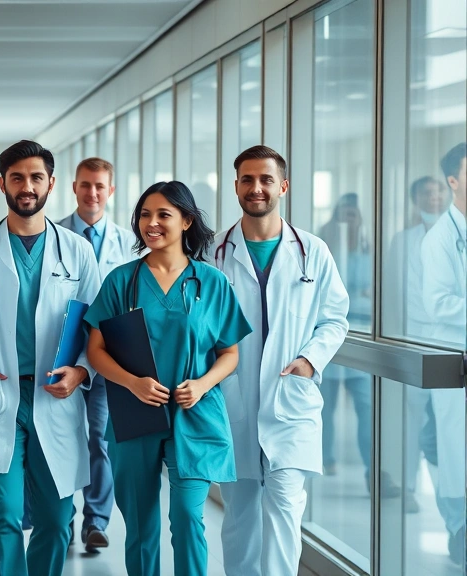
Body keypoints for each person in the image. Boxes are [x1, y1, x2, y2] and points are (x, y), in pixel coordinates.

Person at [0, 140, 101, 575]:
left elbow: (96, 326)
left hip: (55, 396)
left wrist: (82, 370)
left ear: (52, 183)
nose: (27, 186)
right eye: (17, 178)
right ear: (2, 184)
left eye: (36, 177)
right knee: (2, 512)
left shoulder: (78, 251)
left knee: (56, 520)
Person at [84, 180, 251, 576]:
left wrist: (204, 383)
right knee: (141, 526)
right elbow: (96, 350)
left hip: (196, 415)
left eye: (163, 215)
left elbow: (230, 353)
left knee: (189, 518)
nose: (151, 223)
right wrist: (131, 382)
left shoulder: (211, 282)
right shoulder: (121, 281)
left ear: (187, 220)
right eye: (145, 214)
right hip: (135, 413)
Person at [214, 145, 350, 576]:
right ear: (236, 186)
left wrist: (310, 360)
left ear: (283, 186)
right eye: (248, 180)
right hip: (232, 403)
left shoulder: (314, 252)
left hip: (290, 404)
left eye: (266, 180)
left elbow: (335, 319)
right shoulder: (212, 254)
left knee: (285, 510)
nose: (257, 188)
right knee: (239, 517)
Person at [55, 156, 136, 552]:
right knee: (61, 438)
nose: (92, 193)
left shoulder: (128, 243)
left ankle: (96, 521)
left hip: (109, 359)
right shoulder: (54, 237)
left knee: (100, 439)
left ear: (111, 191)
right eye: (85, 185)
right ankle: (62, 518)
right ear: (74, 187)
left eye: (100, 186)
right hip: (64, 356)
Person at [316, 193, 398, 496]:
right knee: (325, 408)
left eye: (353, 216)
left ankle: (373, 471)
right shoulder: (322, 250)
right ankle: (325, 459)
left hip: (360, 336)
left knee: (367, 408)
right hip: (325, 340)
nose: (347, 221)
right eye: (343, 215)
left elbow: (377, 292)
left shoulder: (368, 251)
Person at [383, 175, 450, 515]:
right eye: (426, 191)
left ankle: (452, 496)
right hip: (412, 340)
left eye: (439, 190)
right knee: (409, 422)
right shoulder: (403, 240)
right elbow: (393, 290)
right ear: (415, 198)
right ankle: (407, 486)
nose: (434, 196)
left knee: (448, 427)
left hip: (450, 343)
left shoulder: (457, 236)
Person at [421, 141, 467, 568]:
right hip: (455, 362)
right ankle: (459, 530)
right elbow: (439, 303)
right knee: (455, 450)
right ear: (453, 181)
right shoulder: (441, 239)